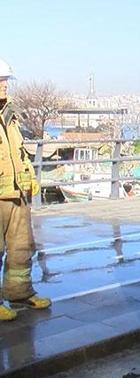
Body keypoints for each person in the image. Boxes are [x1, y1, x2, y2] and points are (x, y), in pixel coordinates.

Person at [0, 58, 51, 321]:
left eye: (6, 81)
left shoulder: (9, 115)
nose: (5, 86)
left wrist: (29, 179)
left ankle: (20, 292)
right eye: (1, 81)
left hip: (16, 194)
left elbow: (18, 153)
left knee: (21, 247)